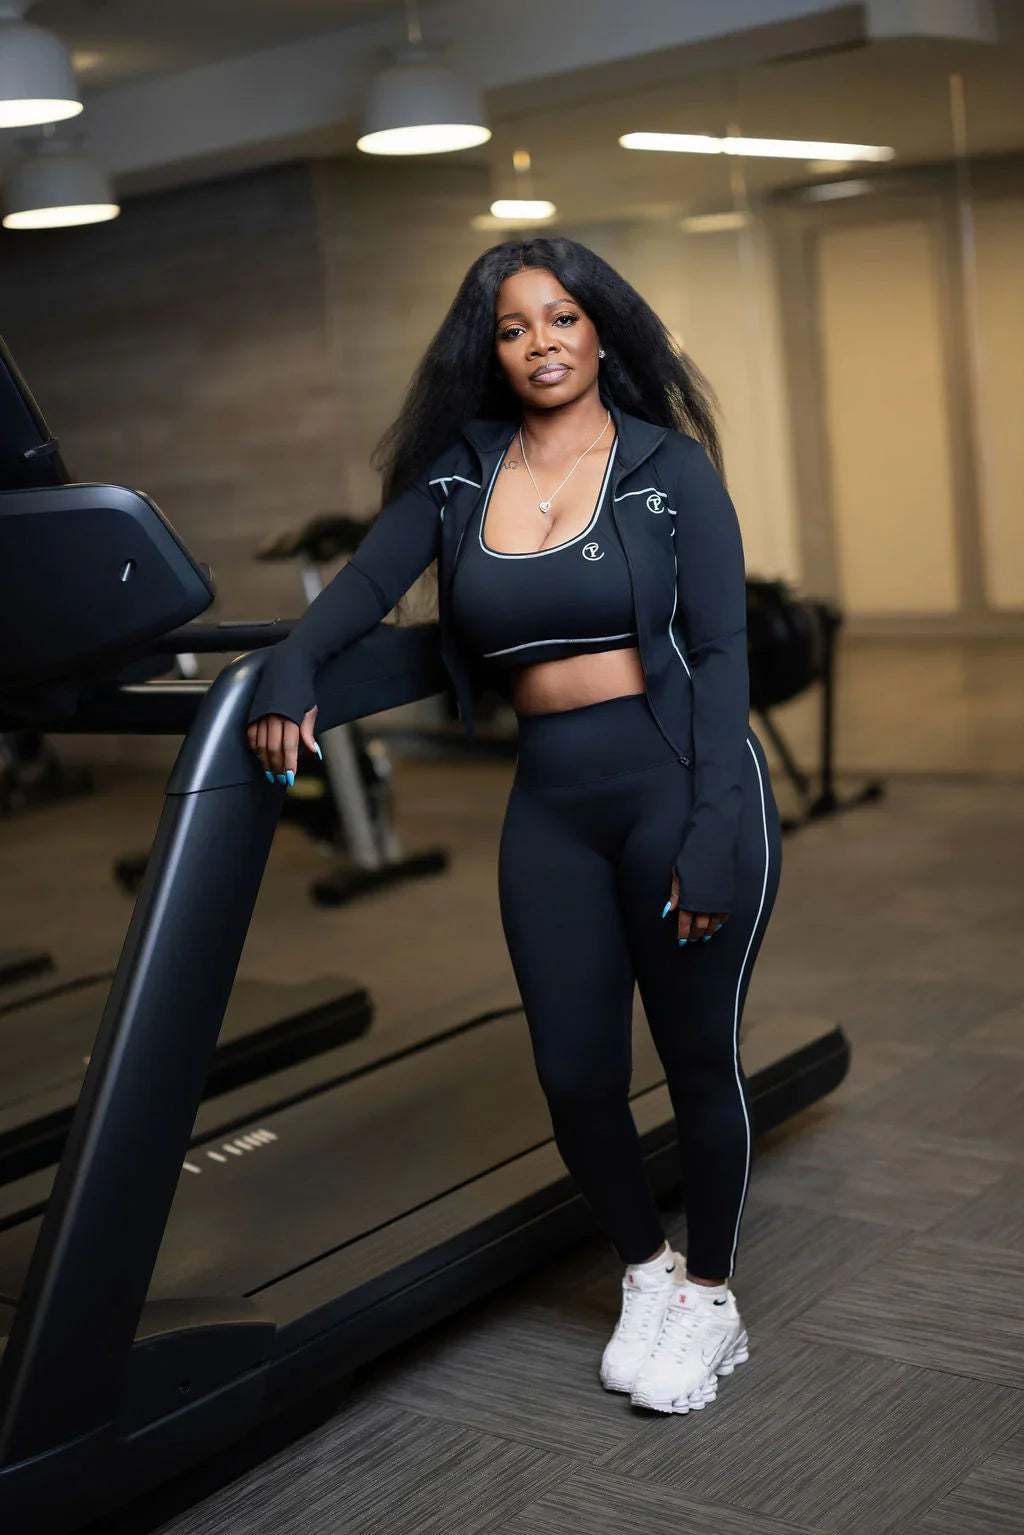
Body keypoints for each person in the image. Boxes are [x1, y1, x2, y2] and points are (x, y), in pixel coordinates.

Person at [246, 237, 783, 1417]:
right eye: (512, 326)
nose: (540, 341)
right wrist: (288, 668)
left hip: (678, 775)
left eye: (561, 319)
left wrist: (713, 826)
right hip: (550, 799)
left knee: (697, 1057)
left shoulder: (665, 466)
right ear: (486, 350)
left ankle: (709, 1294)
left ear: (602, 334)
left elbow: (724, 650)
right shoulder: (457, 473)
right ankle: (646, 1267)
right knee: (573, 1071)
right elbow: (358, 592)